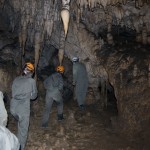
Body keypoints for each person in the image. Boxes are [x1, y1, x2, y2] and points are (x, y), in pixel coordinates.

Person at [10, 62, 38, 150]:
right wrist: (28, 95)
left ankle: (14, 141)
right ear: (32, 72)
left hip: (13, 108)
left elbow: (14, 93)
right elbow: (34, 96)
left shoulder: (16, 79)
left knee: (20, 123)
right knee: (23, 130)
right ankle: (19, 148)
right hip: (23, 108)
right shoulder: (31, 81)